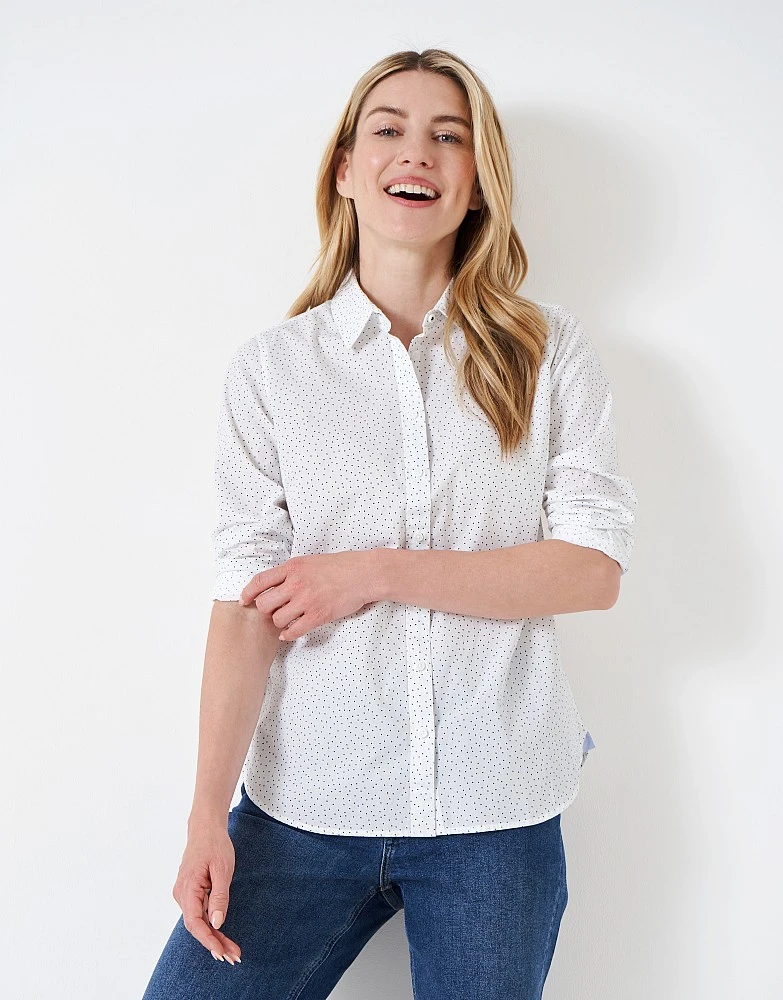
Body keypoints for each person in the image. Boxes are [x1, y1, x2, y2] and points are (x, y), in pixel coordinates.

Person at [142, 47, 637, 1000]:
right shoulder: (272, 370)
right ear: (344, 169)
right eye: (389, 129)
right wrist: (206, 815)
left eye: (448, 136)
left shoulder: (546, 352)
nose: (417, 152)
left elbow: (590, 570)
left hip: (497, 809)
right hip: (303, 807)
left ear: (477, 181)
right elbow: (242, 605)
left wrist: (371, 571)